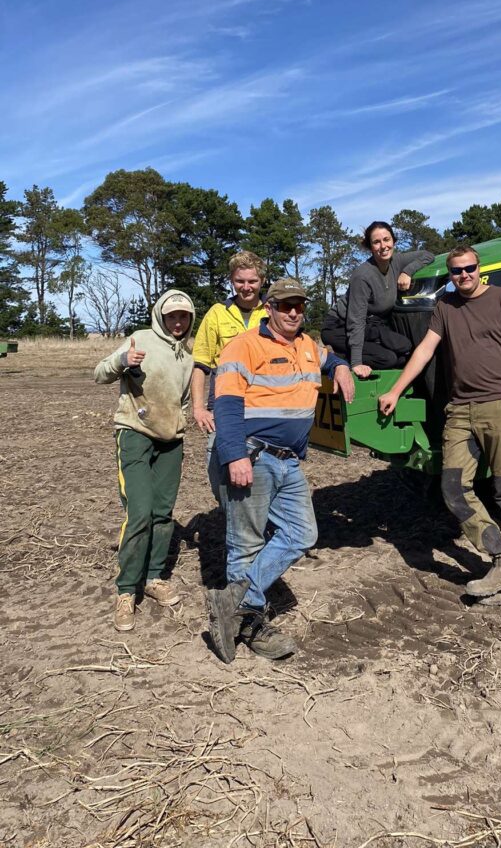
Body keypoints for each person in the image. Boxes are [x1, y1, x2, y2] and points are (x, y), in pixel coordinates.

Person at [207, 278, 355, 663]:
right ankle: (250, 625)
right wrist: (234, 455)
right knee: (246, 544)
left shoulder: (308, 345)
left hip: (289, 461)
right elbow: (224, 404)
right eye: (285, 305)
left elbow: (330, 358)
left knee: (303, 533)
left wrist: (340, 368)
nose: (293, 312)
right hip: (254, 458)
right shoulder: (244, 345)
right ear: (269, 307)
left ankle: (235, 600)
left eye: (299, 306)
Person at [379, 246, 501, 598]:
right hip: (460, 410)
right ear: (449, 275)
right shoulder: (445, 307)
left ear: (480, 268)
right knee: (453, 487)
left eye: (469, 268)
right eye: (456, 271)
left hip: (497, 407)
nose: (464, 275)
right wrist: (396, 390)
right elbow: (424, 351)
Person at [94, 290, 195, 632]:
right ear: (161, 317)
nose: (178, 322)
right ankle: (126, 591)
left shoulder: (187, 355)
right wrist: (122, 362)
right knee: (139, 511)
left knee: (162, 513)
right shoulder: (139, 340)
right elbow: (99, 373)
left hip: (171, 441)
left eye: (184, 317)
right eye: (172, 317)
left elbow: (182, 399)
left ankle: (153, 578)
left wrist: (181, 422)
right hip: (134, 433)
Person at [321, 221, 434, 378]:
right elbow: (356, 321)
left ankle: (375, 348)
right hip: (339, 327)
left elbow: (427, 255)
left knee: (405, 349)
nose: (383, 246)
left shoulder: (397, 262)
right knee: (387, 359)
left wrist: (407, 271)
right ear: (370, 247)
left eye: (386, 240)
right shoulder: (363, 276)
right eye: (376, 242)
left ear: (393, 240)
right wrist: (356, 363)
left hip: (371, 326)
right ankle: (334, 359)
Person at [191, 252, 268, 469]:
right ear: (231, 281)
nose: (246, 287)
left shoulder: (274, 312)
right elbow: (200, 364)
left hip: (265, 404)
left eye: (252, 281)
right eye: (239, 281)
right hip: (224, 404)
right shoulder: (217, 313)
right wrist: (198, 408)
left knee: (263, 467)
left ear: (262, 281)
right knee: (223, 468)